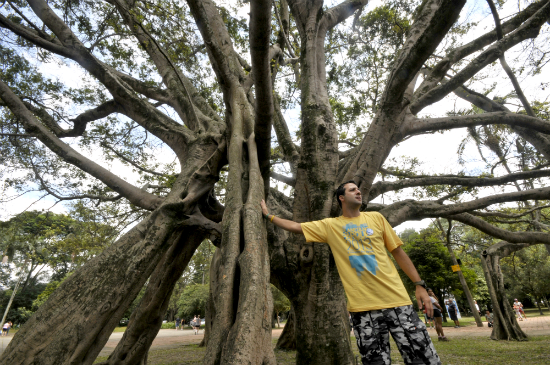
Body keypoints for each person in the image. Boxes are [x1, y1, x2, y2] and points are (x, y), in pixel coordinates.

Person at [261, 180, 441, 365]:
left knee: (424, 359)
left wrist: (419, 285)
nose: (358, 192)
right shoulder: (330, 226)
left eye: (359, 189)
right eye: (352, 190)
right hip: (363, 310)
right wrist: (269, 216)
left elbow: (398, 252)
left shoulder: (377, 218)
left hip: (398, 302)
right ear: (341, 198)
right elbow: (296, 227)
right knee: (375, 362)